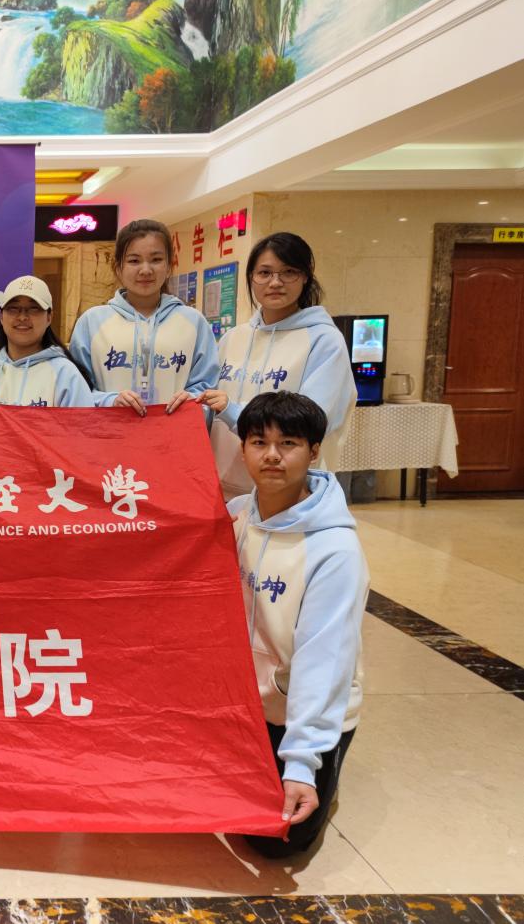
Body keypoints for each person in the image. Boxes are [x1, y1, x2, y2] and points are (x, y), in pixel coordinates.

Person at [228, 391, 366, 859]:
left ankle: (328, 759)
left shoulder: (335, 551)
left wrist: (302, 764)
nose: (272, 455)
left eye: (288, 443)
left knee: (275, 840)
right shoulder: (237, 517)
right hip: (247, 703)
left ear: (314, 451)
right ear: (242, 449)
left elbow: (323, 662)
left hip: (301, 709)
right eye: (258, 442)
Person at [198, 232, 355, 498]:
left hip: (285, 492)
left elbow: (312, 422)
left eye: (289, 272)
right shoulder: (233, 338)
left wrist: (232, 411)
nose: (275, 282)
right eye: (265, 273)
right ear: (251, 278)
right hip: (220, 487)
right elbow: (209, 406)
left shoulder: (324, 341)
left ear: (305, 276)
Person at [69, 218, 218, 418]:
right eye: (134, 261)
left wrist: (191, 399)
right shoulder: (92, 322)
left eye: (156, 259)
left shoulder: (193, 322)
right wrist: (109, 400)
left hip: (173, 433)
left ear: (169, 265)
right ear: (118, 267)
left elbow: (208, 388)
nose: (146, 270)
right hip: (111, 433)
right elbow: (77, 391)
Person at [0, 275, 93, 407]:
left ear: (49, 317)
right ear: (1, 317)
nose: (22, 317)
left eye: (34, 309)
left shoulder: (65, 373)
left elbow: (82, 425)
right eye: (13, 308)